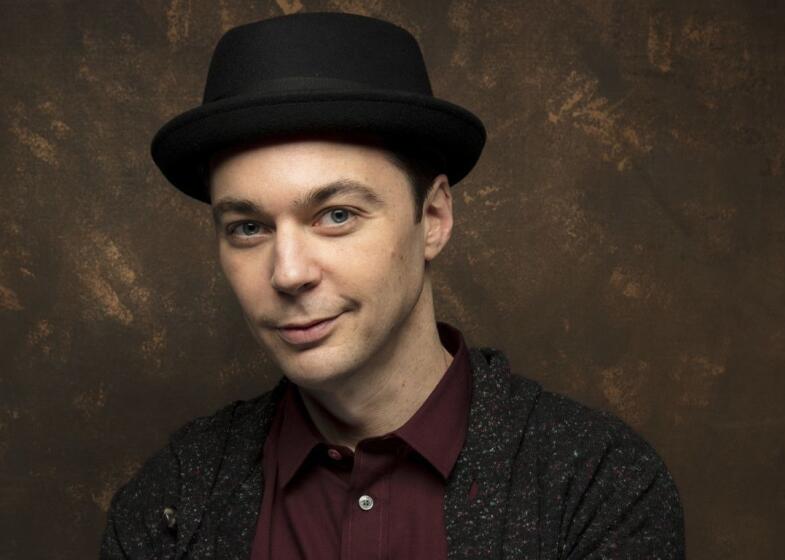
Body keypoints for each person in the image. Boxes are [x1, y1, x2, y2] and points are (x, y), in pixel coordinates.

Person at [100, 11, 685, 559]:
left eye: (336, 215)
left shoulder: (595, 483)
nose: (288, 272)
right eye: (248, 227)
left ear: (432, 219)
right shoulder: (171, 499)